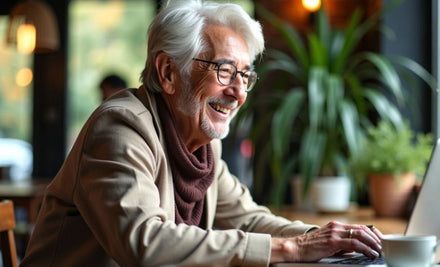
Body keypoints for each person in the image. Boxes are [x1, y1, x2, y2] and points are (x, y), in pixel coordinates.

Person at [20, 1, 382, 266]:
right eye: (224, 71)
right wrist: (294, 249)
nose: (239, 93)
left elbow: (248, 219)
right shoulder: (119, 128)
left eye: (245, 76)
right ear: (168, 73)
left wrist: (327, 238)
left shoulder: (201, 146)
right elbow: (144, 244)